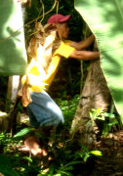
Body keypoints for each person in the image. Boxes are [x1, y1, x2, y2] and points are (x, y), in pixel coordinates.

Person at [21, 14, 100, 156]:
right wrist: (103, 54)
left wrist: (96, 34)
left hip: (30, 86)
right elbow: (79, 54)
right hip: (33, 86)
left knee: (40, 124)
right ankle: (32, 142)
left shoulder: (60, 42)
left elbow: (81, 45)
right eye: (64, 25)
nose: (68, 28)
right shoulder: (51, 41)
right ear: (54, 27)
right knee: (55, 118)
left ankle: (38, 152)